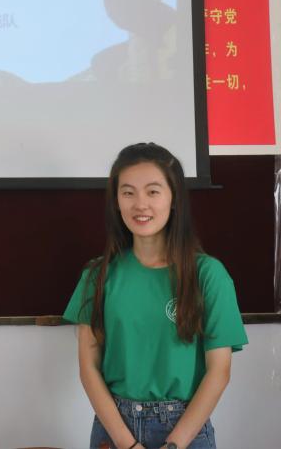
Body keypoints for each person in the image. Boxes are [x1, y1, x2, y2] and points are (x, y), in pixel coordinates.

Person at [63, 143, 247, 449]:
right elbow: (88, 367)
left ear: (174, 198)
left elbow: (219, 371)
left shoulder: (208, 275)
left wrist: (174, 444)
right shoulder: (98, 275)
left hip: (184, 430)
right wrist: (127, 444)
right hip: (114, 429)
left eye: (153, 191)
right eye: (128, 192)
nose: (140, 204)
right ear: (116, 201)